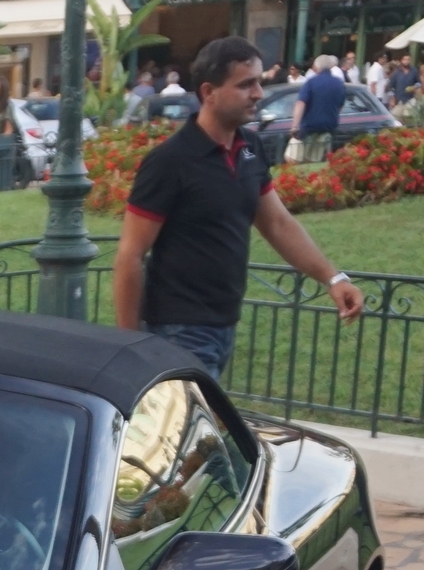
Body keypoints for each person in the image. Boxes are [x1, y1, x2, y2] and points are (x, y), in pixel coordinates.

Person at [112, 37, 364, 379]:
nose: (259, 93)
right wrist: (131, 346)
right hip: (178, 331)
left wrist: (333, 278)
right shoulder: (170, 162)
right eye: (246, 84)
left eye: (259, 82)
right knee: (192, 430)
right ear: (208, 92)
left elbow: (277, 223)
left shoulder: (250, 148)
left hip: (224, 325)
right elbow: (130, 255)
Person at [293, 54, 347, 163]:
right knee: (323, 163)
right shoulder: (339, 84)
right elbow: (340, 106)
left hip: (310, 129)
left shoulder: (311, 82)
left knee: (306, 163)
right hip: (329, 129)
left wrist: (295, 126)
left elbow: (300, 103)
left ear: (316, 67)